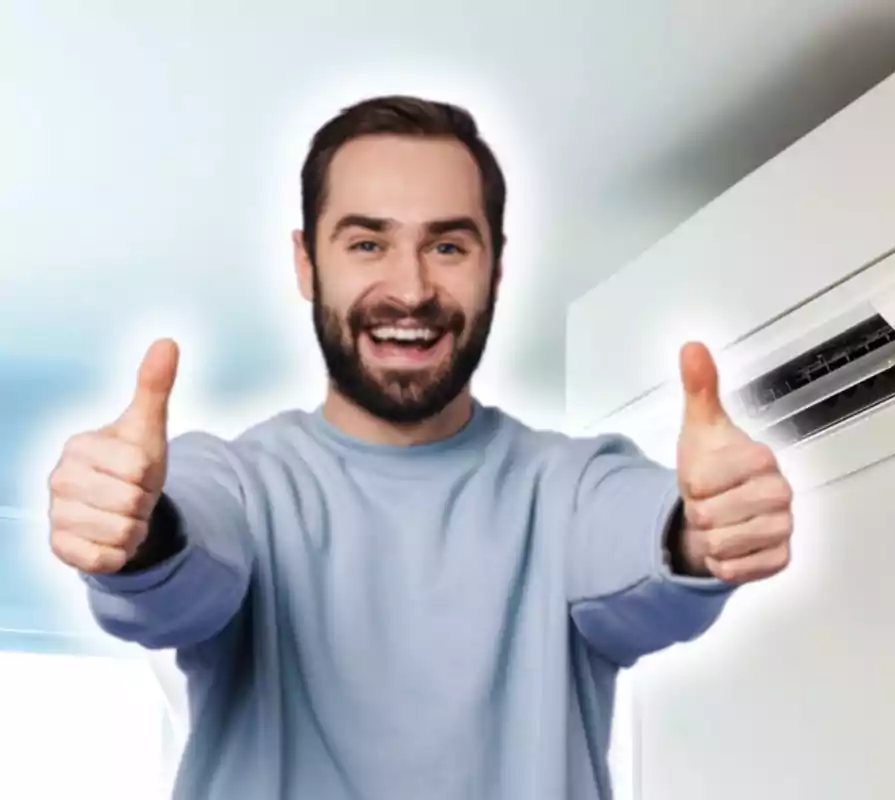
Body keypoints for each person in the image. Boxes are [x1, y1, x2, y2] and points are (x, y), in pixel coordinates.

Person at [45, 96, 795, 799]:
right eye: (368, 242)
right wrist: (137, 533)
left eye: (446, 245)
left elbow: (646, 546)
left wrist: (703, 532)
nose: (410, 288)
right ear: (308, 265)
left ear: (495, 267)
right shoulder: (236, 482)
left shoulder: (570, 487)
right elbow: (183, 572)